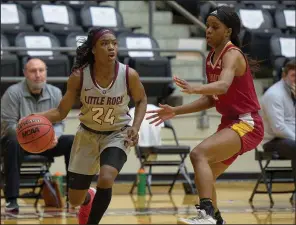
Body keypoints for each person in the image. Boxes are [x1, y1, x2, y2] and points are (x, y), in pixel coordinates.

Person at [147, 6, 264, 224]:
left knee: (198, 154)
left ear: (228, 31)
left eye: (214, 27)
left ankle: (207, 213)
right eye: (207, 26)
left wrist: (195, 88)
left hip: (247, 123)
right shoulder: (211, 56)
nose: (208, 30)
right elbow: (212, 99)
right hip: (229, 123)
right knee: (207, 175)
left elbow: (222, 86)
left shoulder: (232, 54)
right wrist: (176, 111)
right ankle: (217, 219)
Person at [34, 28, 147, 224]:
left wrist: (135, 127)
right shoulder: (79, 76)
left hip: (117, 134)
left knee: (106, 176)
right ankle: (89, 196)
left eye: (114, 43)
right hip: (87, 135)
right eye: (104, 43)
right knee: (75, 200)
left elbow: (141, 100)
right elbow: (61, 112)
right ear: (93, 50)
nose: (111, 47)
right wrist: (34, 117)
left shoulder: (129, 75)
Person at [1, 58, 74, 212]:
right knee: (11, 142)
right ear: (25, 73)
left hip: (46, 143)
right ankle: (12, 200)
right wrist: (29, 132)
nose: (38, 74)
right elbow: (8, 125)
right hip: (20, 143)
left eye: (41, 70)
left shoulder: (55, 92)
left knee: (72, 141)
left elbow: (60, 122)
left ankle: (73, 197)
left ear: (46, 72)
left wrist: (54, 136)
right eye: (33, 71)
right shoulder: (13, 93)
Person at [261, 59, 295, 178]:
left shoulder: (293, 91)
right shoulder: (274, 95)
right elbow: (278, 128)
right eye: (293, 75)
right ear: (284, 75)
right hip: (273, 141)